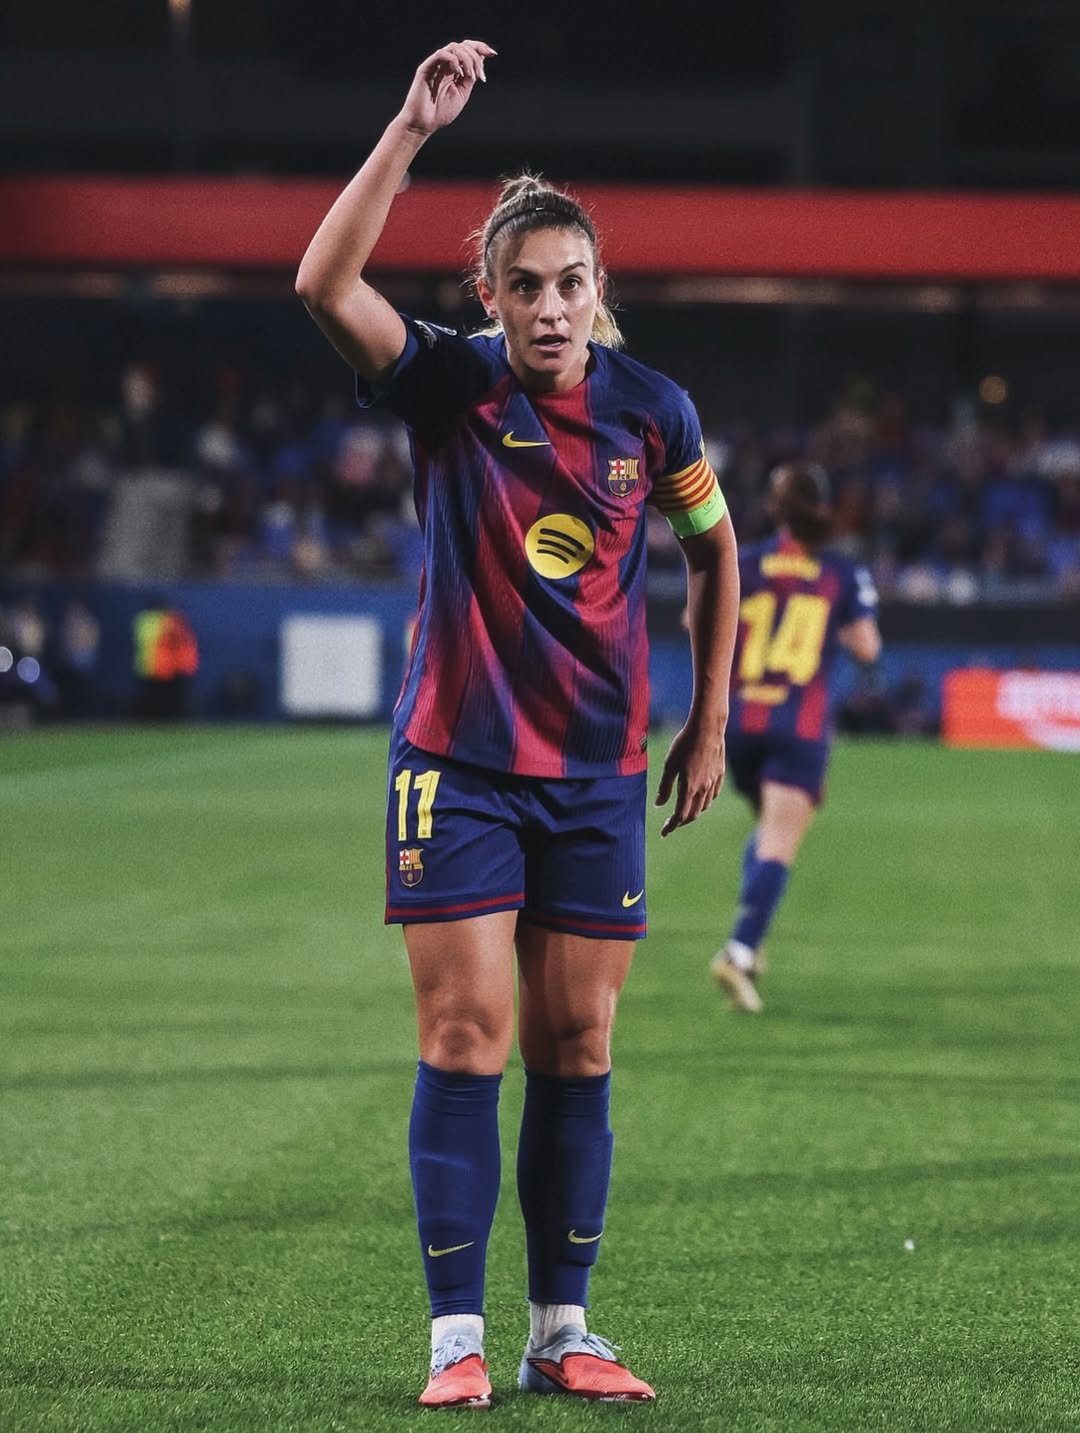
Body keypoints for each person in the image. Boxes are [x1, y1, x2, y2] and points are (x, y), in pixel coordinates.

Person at [296, 39, 740, 1410]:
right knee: (464, 1035)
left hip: (597, 772)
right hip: (459, 762)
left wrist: (710, 719)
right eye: (527, 285)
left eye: (573, 283)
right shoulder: (450, 383)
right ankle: (456, 1339)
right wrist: (409, 131)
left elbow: (714, 552)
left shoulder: (654, 412)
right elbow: (322, 285)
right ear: (487, 294)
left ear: (601, 292)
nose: (552, 307)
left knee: (579, 1045)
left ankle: (561, 1328)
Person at [711, 460, 881, 1013]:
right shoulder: (840, 570)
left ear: (773, 508)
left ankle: (750, 942)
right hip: (798, 724)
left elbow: (698, 620)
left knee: (768, 830)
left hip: (740, 721)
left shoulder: (745, 562)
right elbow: (867, 648)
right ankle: (740, 951)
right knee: (780, 841)